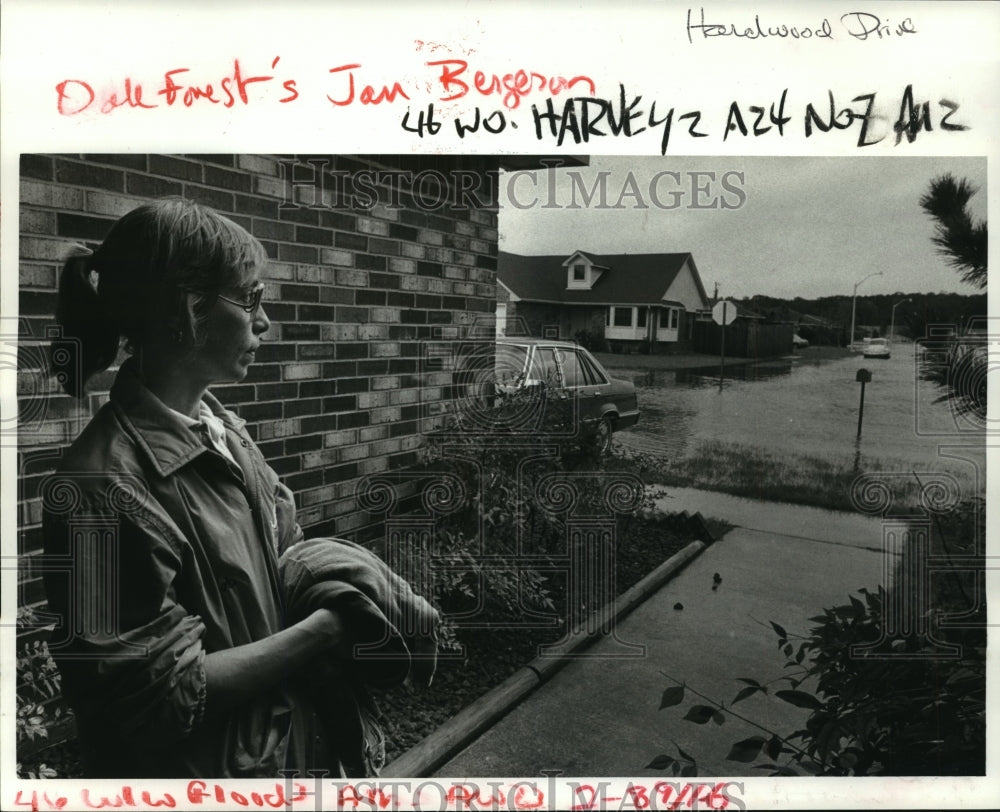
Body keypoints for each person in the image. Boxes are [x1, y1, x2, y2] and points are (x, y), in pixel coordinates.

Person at [42, 197, 435, 779]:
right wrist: (327, 628)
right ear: (185, 310)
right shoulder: (100, 490)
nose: (265, 322)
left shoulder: (221, 429)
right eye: (250, 298)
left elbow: (274, 561)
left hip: (283, 755)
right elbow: (161, 699)